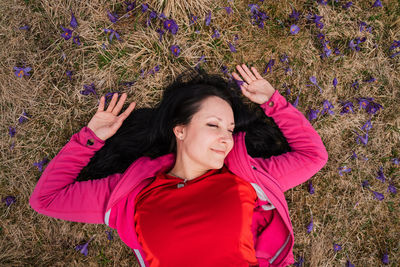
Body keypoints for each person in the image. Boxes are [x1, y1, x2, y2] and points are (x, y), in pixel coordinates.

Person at [29, 64, 328, 267]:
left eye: (230, 129)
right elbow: (46, 199)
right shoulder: (131, 196)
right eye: (213, 125)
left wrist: (273, 102)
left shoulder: (246, 179)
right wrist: (90, 137)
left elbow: (313, 157)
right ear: (180, 129)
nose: (226, 138)